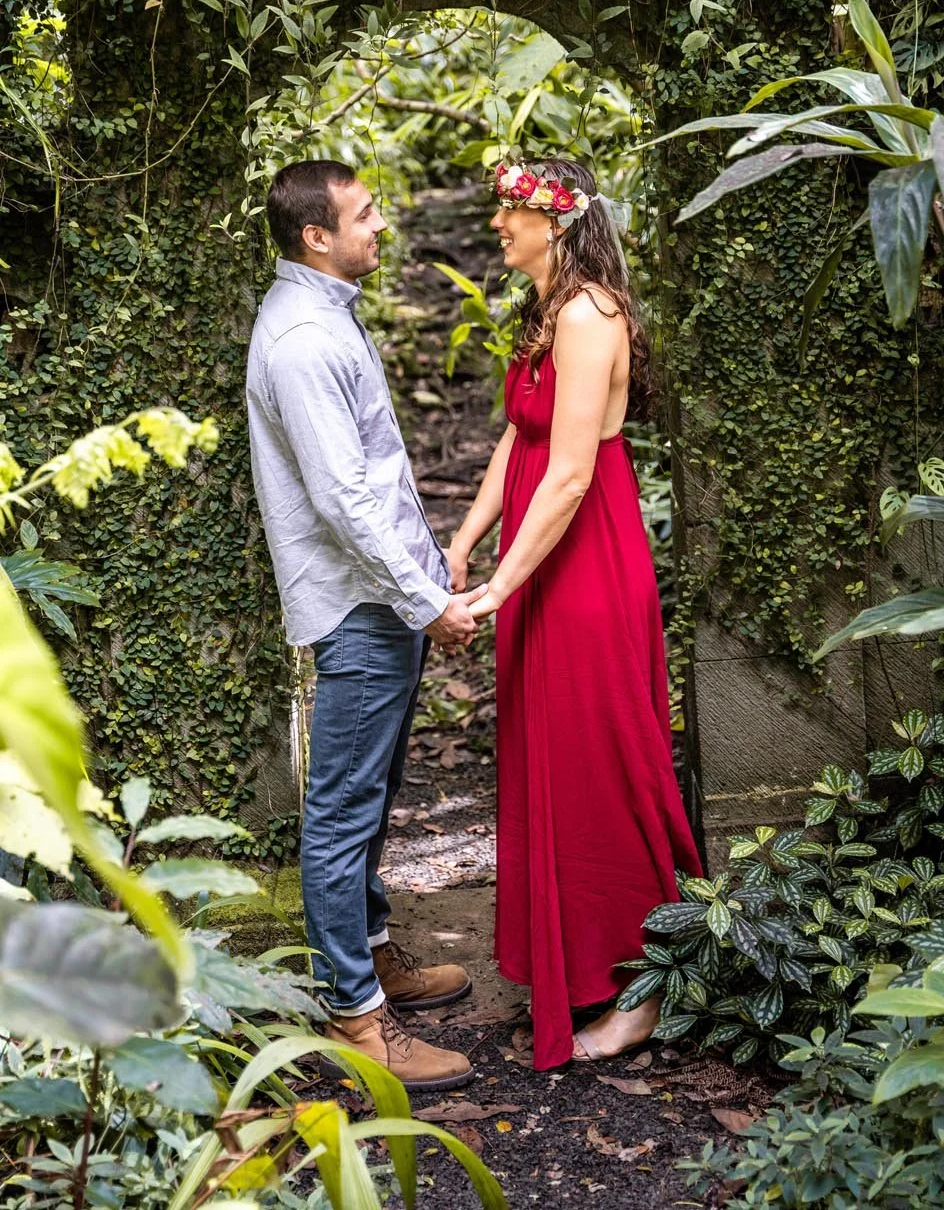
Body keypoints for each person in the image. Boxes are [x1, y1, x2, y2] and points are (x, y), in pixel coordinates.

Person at [446, 158, 703, 1070]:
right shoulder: (547, 310)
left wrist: (500, 586)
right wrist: (465, 542)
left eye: (509, 212)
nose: (499, 226)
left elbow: (570, 475)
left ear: (553, 221)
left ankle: (644, 990)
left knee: (601, 760)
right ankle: (581, 966)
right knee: (552, 759)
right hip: (538, 559)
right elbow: (519, 436)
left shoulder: (590, 314)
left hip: (583, 563)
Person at [246, 158, 486, 1091]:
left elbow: (372, 478)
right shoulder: (305, 338)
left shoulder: (325, 313)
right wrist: (426, 602)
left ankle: (374, 956)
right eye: (365, 213)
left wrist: (426, 571)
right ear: (317, 236)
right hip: (360, 608)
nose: (381, 225)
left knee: (371, 795)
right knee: (344, 812)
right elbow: (344, 499)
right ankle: (357, 1016)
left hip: (380, 597)